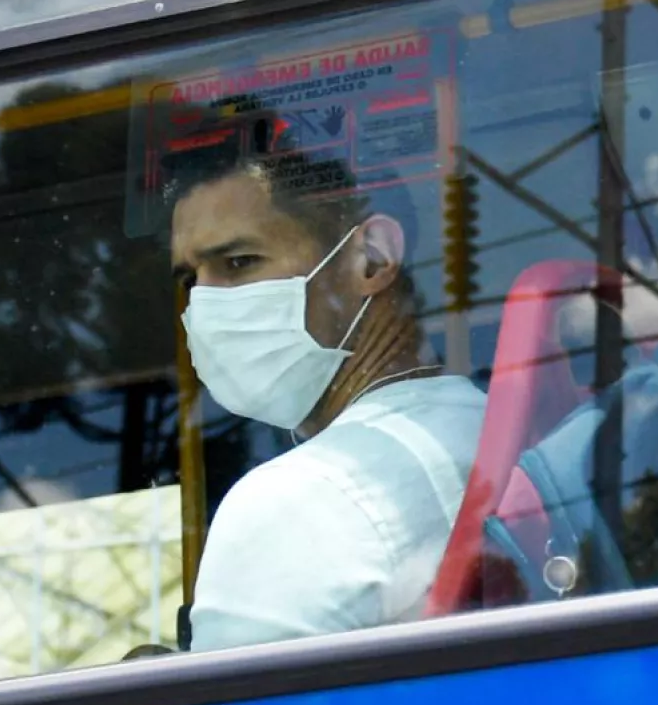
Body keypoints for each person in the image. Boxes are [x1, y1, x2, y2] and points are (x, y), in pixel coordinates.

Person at [164, 109, 487, 652]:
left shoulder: (300, 502)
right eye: (190, 279)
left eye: (239, 262)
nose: (205, 303)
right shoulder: (475, 422)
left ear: (372, 259)